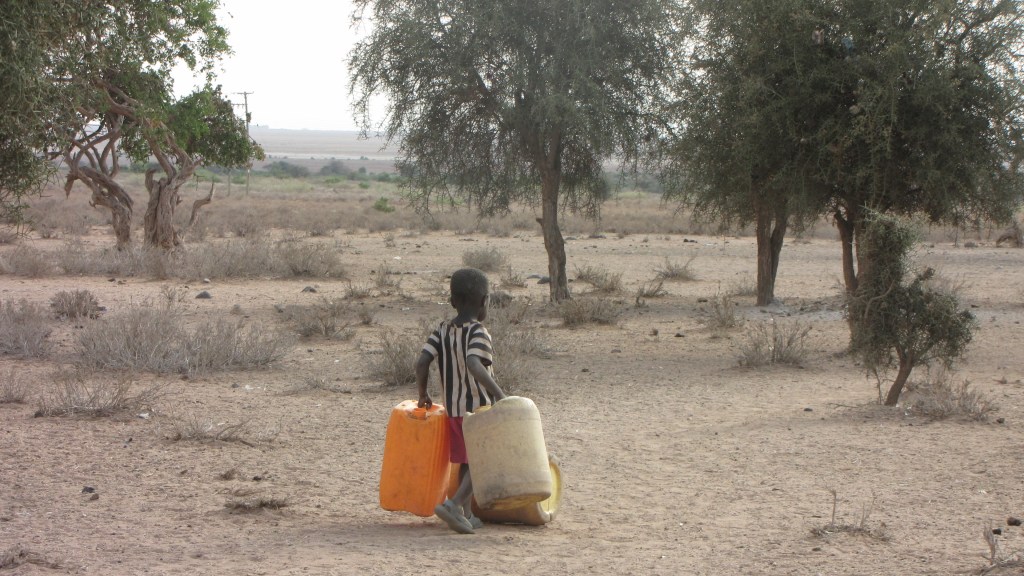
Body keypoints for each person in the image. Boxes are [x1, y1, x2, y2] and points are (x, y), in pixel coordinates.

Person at [415, 268, 506, 534]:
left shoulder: (441, 330)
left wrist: (423, 393)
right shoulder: (479, 331)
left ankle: (466, 514)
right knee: (483, 461)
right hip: (480, 410)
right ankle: (453, 505)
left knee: (467, 460)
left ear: (452, 301)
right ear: (484, 302)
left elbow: (422, 363)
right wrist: (501, 396)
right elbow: (474, 364)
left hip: (453, 410)